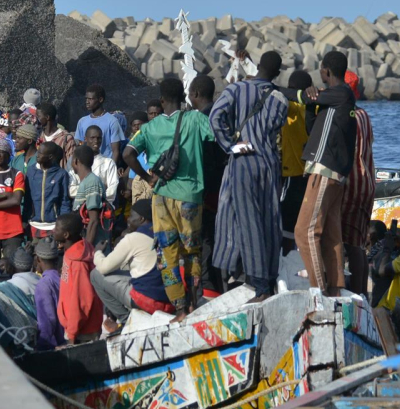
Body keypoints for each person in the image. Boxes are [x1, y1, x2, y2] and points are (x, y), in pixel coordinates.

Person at [123, 78, 215, 321]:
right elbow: (216, 138)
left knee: (168, 253)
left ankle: (180, 309)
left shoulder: (149, 128)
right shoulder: (195, 119)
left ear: (161, 100)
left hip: (161, 197)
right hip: (190, 198)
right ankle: (194, 303)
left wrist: (148, 178)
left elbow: (127, 154)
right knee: (192, 251)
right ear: (184, 96)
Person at [208, 53, 289, 302]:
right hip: (269, 164)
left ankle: (258, 285)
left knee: (247, 221)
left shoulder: (236, 89)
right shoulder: (280, 98)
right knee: (269, 221)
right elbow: (275, 127)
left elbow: (214, 117)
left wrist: (230, 145)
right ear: (277, 73)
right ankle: (267, 277)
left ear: (258, 66)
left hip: (244, 160)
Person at [289, 50, 356, 296]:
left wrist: (273, 89)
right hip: (334, 174)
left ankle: (319, 291)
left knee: (304, 232)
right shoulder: (333, 101)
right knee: (330, 235)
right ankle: (337, 289)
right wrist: (310, 103)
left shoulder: (340, 94)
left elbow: (297, 96)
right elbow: (312, 127)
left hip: (324, 172)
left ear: (326, 71)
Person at [91, 199, 173, 332]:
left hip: (147, 301)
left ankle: (126, 320)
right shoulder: (164, 232)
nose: (127, 219)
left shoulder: (134, 237)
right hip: (169, 300)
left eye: (131, 216)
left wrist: (98, 252)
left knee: (95, 274)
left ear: (141, 219)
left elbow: (103, 267)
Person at [188, 75, 227, 294]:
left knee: (205, 242)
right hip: (223, 187)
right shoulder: (221, 116)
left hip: (207, 192)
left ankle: (209, 289)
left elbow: (203, 159)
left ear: (195, 94)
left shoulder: (200, 120)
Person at [52, 212, 103, 345]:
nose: (53, 230)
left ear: (66, 235)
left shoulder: (78, 263)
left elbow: (81, 300)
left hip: (82, 331)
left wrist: (72, 334)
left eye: (56, 228)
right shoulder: (72, 253)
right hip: (77, 328)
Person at [342, 100, 376, 295]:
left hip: (352, 182)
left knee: (348, 244)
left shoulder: (350, 115)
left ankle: (353, 293)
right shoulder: (364, 115)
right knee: (359, 244)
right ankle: (361, 293)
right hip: (367, 181)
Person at [280, 71, 313, 252]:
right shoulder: (313, 107)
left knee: (286, 226)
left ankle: (285, 259)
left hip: (292, 172)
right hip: (309, 174)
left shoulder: (292, 106)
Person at [24, 142, 72, 238]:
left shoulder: (61, 174)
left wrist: (63, 225)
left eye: (41, 153)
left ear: (50, 157)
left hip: (53, 226)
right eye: (38, 151)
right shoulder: (31, 171)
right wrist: (24, 220)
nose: (37, 155)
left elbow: (64, 201)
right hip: (33, 224)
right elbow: (27, 198)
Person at [75, 84, 125, 164]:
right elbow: (80, 146)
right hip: (87, 167)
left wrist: (111, 169)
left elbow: (115, 151)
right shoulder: (82, 121)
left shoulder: (112, 121)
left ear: (100, 99)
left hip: (105, 166)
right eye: (86, 99)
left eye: (91, 99)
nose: (87, 102)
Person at [68, 126, 117, 204]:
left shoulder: (108, 162)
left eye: (99, 138)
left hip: (102, 208)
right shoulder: (76, 161)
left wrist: (82, 190)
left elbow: (112, 191)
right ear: (85, 139)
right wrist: (98, 188)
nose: (96, 141)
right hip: (79, 208)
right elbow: (71, 191)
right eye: (92, 138)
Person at [70, 145, 107, 246]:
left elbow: (93, 220)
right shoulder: (87, 181)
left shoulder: (92, 182)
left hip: (95, 246)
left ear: (75, 161)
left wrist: (87, 249)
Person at [33, 237, 64, 351]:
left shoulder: (43, 285)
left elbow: (47, 321)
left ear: (38, 259)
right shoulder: (64, 277)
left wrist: (42, 346)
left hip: (59, 344)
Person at [368, 220, 400, 306]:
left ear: (372, 236)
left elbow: (380, 271)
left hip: (378, 306)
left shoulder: (382, 255)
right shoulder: (379, 254)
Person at [125, 111, 153, 205]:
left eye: (140, 125)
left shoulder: (154, 153)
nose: (137, 128)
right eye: (134, 125)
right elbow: (131, 179)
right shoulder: (136, 154)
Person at [36, 102, 75, 168]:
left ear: (47, 117)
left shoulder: (66, 138)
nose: (36, 120)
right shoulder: (39, 136)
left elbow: (71, 163)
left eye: (38, 117)